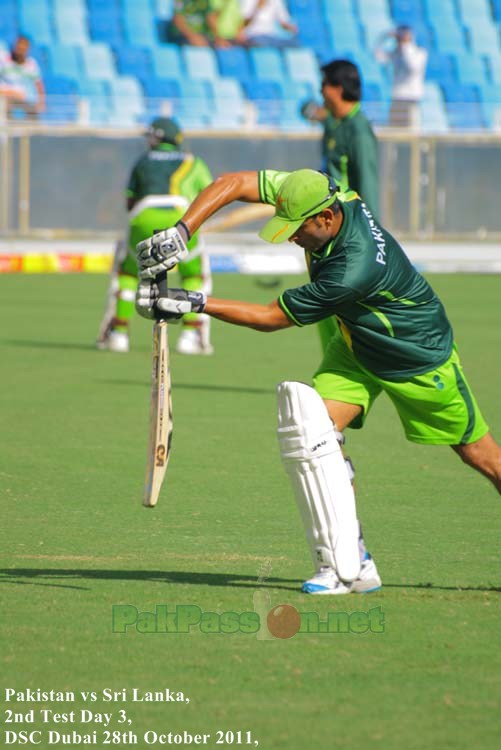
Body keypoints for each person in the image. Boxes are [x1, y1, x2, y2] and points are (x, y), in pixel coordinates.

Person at [135, 168, 501, 595]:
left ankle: (352, 561)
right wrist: (183, 230)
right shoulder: (321, 191)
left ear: (326, 219)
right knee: (317, 436)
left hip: (416, 357)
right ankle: (353, 561)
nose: (292, 238)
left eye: (298, 229)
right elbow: (235, 183)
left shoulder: (352, 270)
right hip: (356, 347)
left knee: (481, 456)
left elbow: (271, 317)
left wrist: (193, 301)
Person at [97, 117, 214, 355]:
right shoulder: (193, 162)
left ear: (157, 138)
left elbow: (130, 200)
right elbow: (209, 194)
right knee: (193, 274)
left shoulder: (143, 160)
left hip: (143, 214)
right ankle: (191, 336)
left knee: (128, 273)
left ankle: (118, 334)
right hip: (181, 217)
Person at [301, 59, 380, 351]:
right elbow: (310, 112)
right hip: (325, 230)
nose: (320, 91)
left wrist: (371, 237)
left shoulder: (358, 130)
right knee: (323, 307)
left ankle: (351, 367)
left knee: (342, 306)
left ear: (336, 89)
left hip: (346, 233)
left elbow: (367, 185)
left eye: (323, 85)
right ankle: (332, 367)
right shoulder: (335, 122)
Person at [375, 25, 427, 129]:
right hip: (397, 98)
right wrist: (383, 38)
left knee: (412, 134)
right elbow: (378, 57)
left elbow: (412, 67)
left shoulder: (419, 53)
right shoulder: (395, 53)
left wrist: (405, 44)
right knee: (394, 133)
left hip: (411, 99)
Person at [0, 35, 45, 119]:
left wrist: (41, 102)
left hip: (25, 101)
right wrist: (11, 92)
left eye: (23, 47)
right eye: (18, 46)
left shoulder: (31, 64)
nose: (20, 49)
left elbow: (38, 83)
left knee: (33, 115)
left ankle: (33, 130)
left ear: (27, 49)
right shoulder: (3, 59)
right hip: (7, 100)